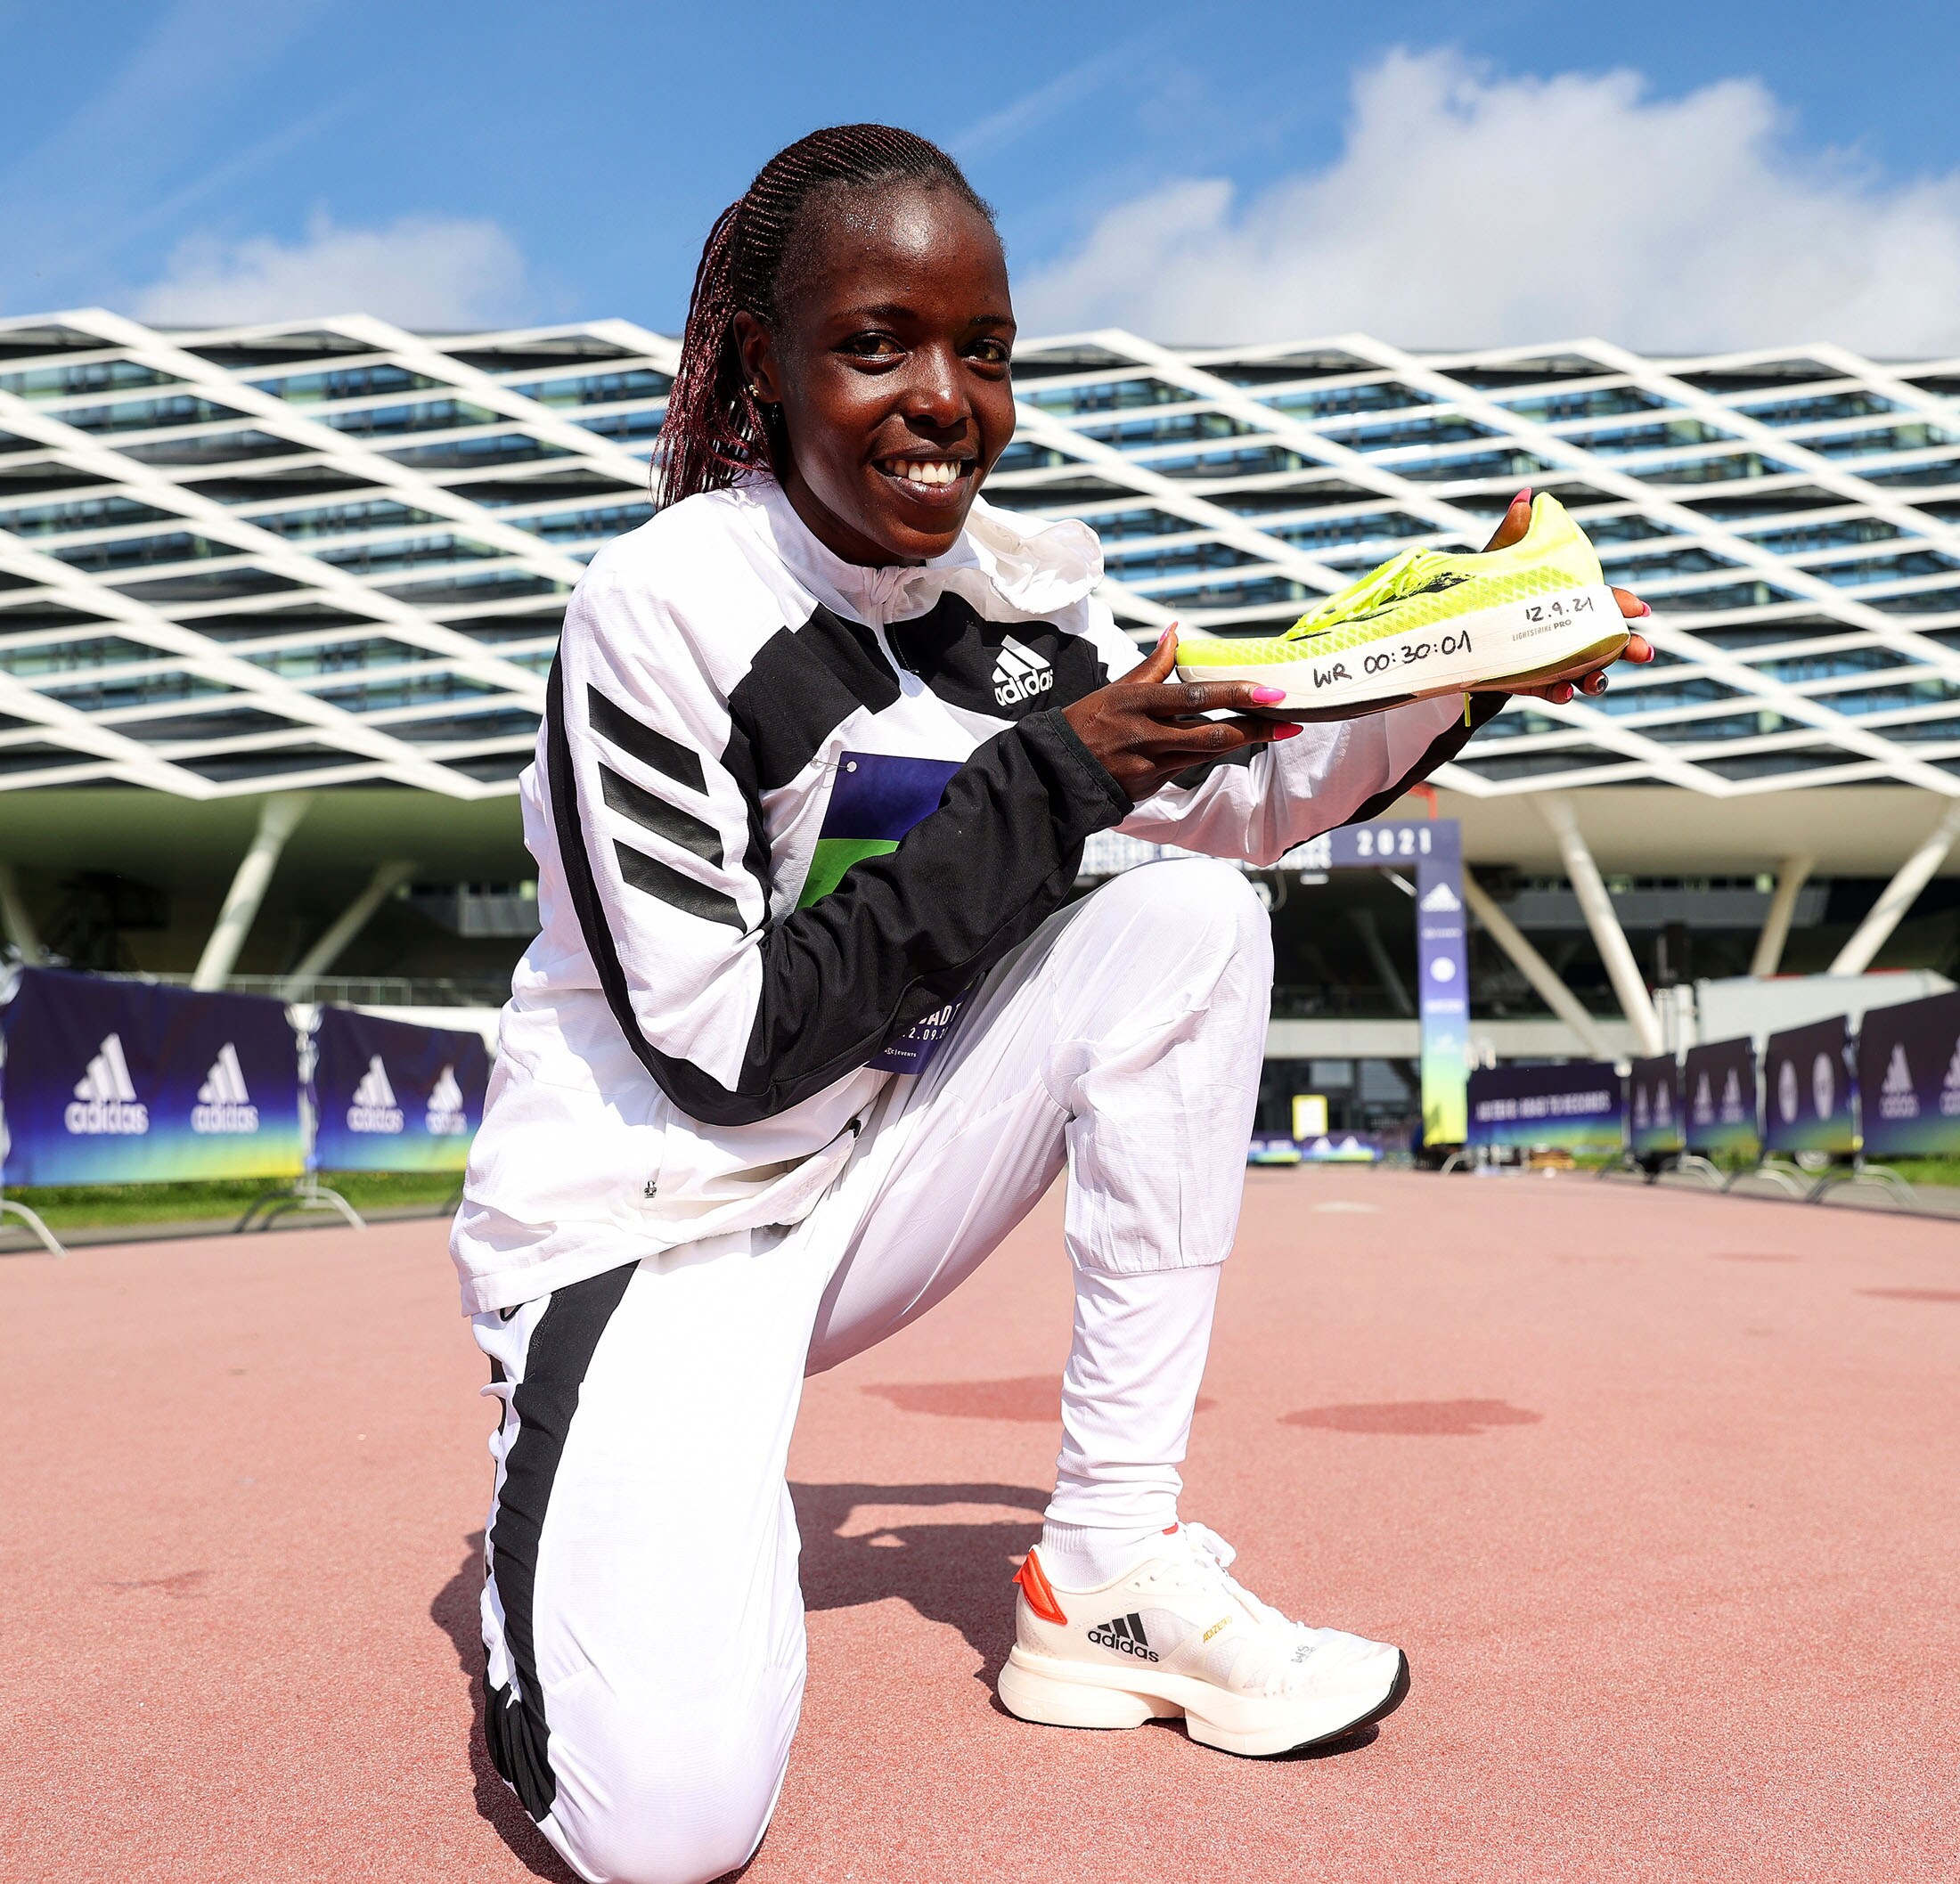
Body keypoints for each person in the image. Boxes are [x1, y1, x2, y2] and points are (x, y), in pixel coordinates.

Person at [452, 123, 1653, 1884]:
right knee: (672, 1833)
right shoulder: (660, 608)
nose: (944, 396)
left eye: (982, 349)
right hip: (645, 1239)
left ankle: (1102, 1570)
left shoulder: (1020, 604)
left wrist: (1456, 666)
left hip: (862, 1178)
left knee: (1183, 919)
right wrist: (1043, 781)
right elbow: (718, 1054)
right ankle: (543, 1585)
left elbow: (1227, 796)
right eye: (876, 343)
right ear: (758, 368)